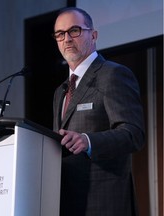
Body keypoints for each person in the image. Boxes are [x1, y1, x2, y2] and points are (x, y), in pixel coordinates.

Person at [52, 7, 145, 216]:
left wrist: (88, 141)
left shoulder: (113, 74)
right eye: (60, 34)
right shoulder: (61, 91)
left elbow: (133, 134)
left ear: (93, 35)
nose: (66, 39)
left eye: (74, 31)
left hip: (104, 201)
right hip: (66, 202)